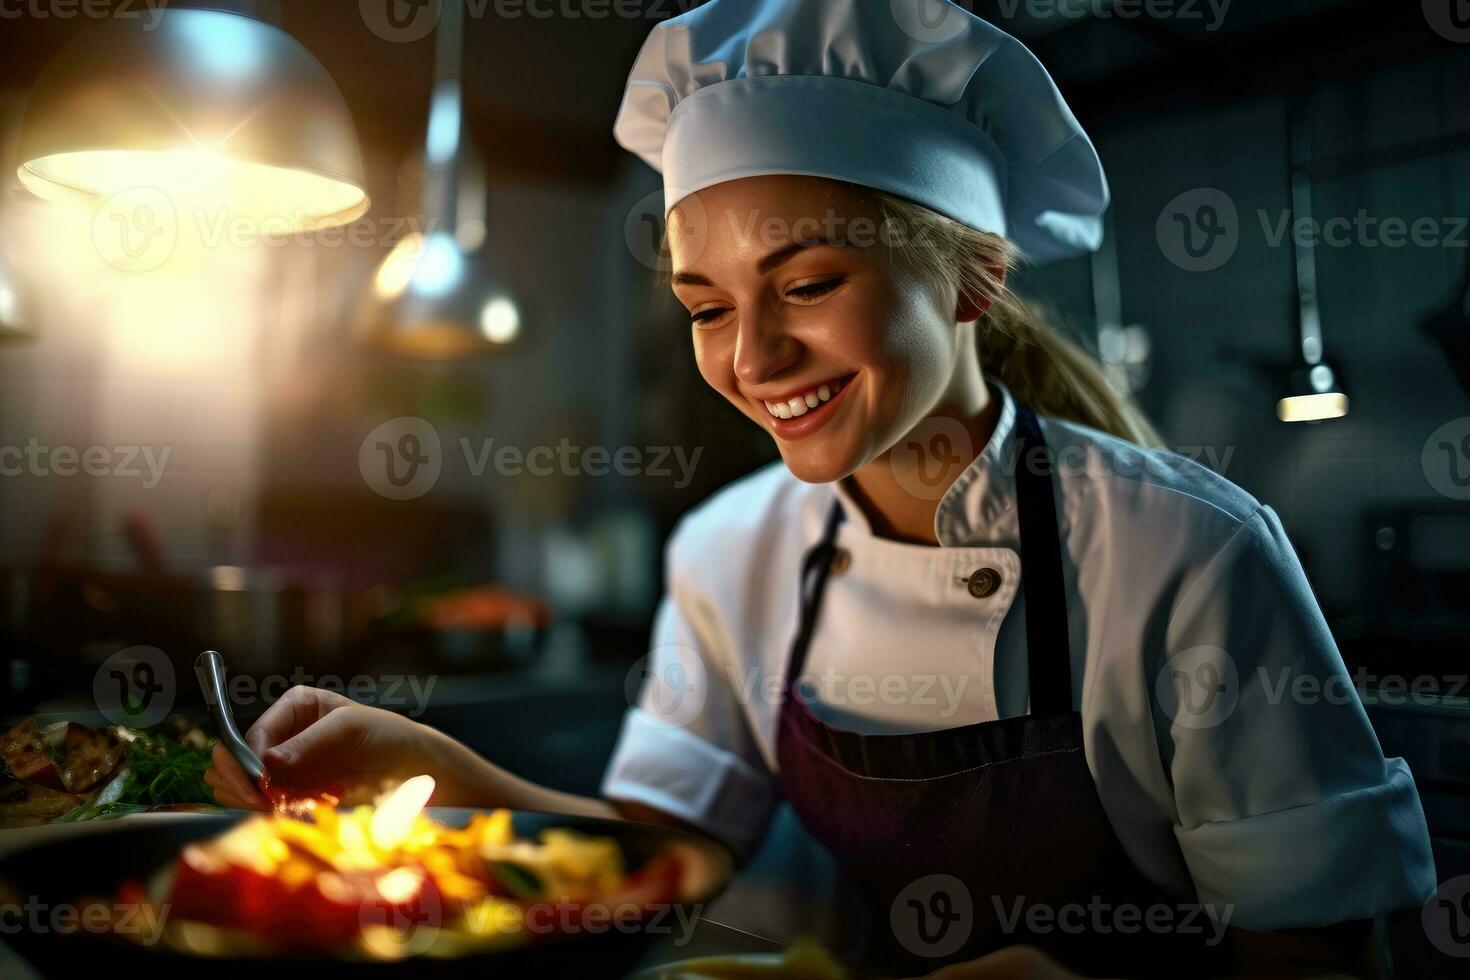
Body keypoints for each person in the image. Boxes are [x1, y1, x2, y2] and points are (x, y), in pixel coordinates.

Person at [208, 1, 1436, 975]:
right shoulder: (731, 547)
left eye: (805, 285)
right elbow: (663, 857)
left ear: (972, 280)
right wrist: (436, 770)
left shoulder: (1186, 551)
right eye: (705, 306)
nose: (750, 358)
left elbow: (1327, 951)